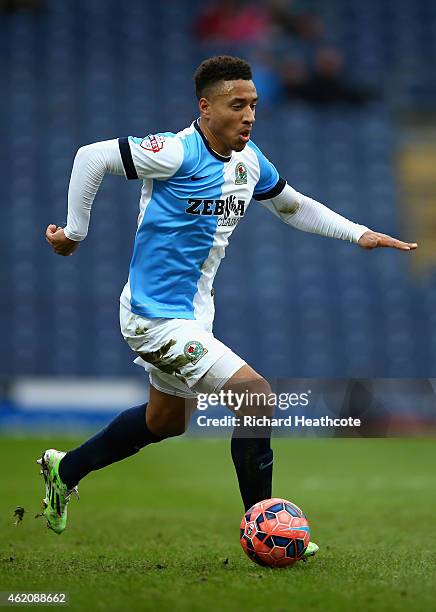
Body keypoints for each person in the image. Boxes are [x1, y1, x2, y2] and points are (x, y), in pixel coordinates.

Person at [41, 56, 417, 562]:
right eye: (236, 105)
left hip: (194, 316)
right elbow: (90, 156)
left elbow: (292, 205)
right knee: (256, 395)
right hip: (153, 316)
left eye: (254, 105)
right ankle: (265, 528)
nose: (248, 115)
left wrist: (359, 234)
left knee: (165, 422)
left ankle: (65, 472)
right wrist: (74, 233)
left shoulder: (250, 161)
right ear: (206, 107)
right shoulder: (175, 152)